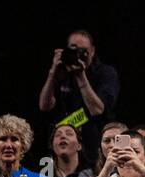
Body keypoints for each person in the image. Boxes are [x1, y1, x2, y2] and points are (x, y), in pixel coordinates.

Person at [39, 30, 120, 158]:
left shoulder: (106, 73)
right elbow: (44, 106)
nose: (78, 55)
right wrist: (52, 73)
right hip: (60, 150)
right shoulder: (61, 71)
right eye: (73, 49)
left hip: (93, 147)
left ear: (92, 51)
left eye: (83, 51)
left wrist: (80, 76)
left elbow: (98, 109)